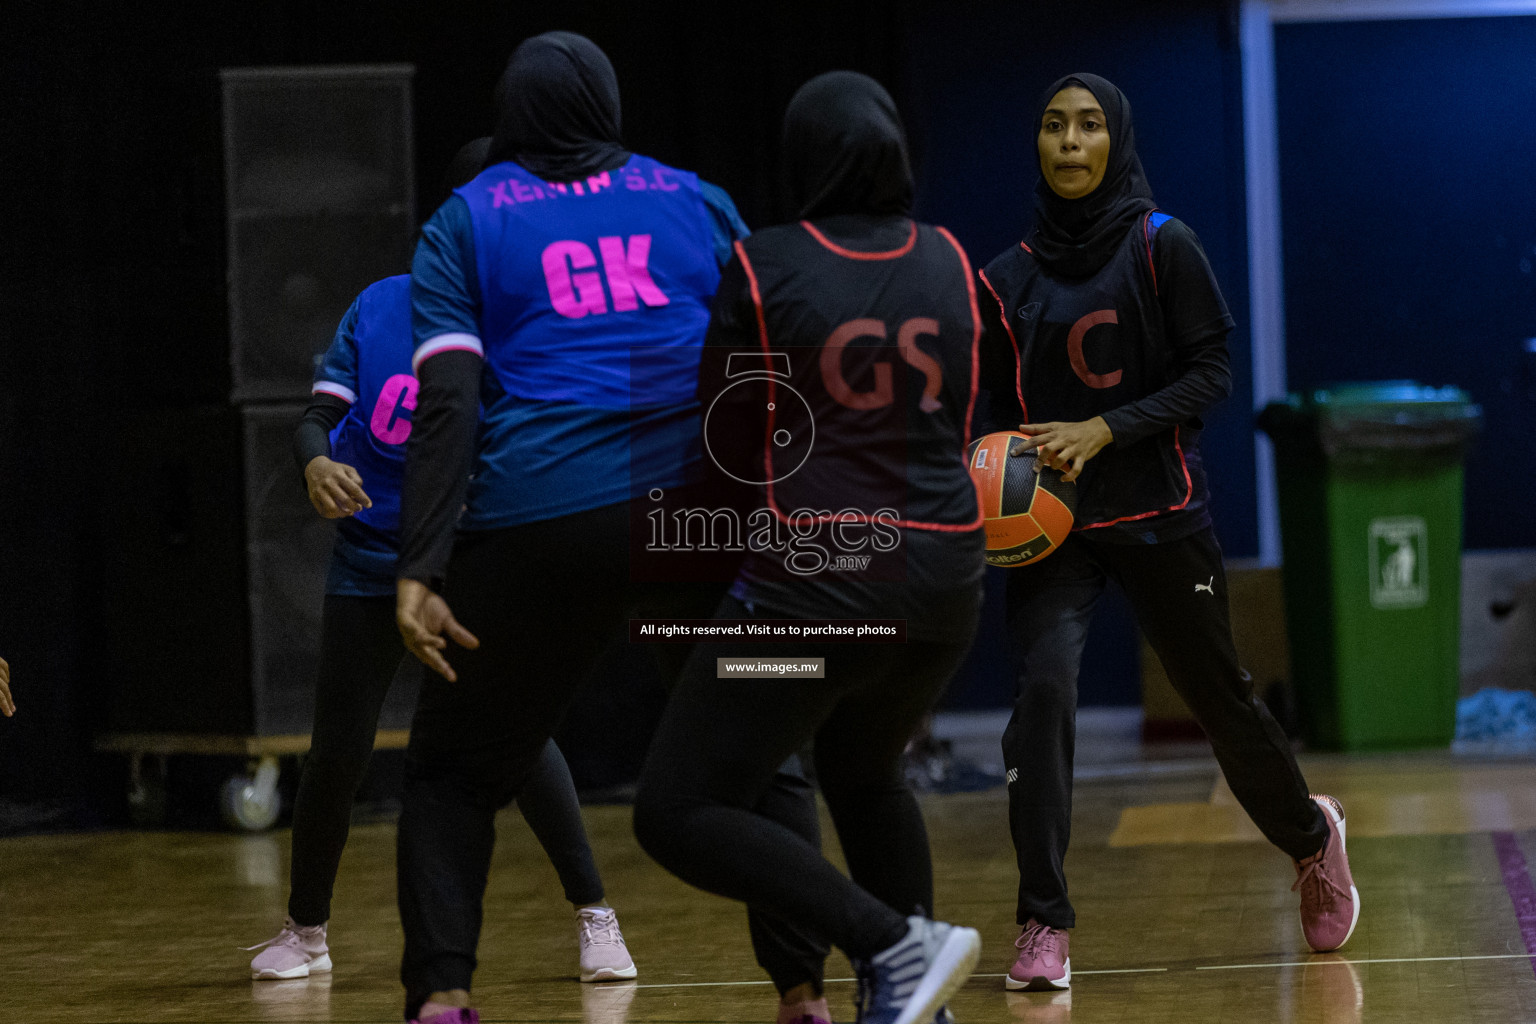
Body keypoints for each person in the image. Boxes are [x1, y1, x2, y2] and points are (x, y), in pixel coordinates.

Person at [392, 33, 818, 1024]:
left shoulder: (465, 218)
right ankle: (804, 994)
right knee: (759, 752)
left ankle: (444, 997)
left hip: (547, 517)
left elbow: (448, 400)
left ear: (511, 114)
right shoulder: (694, 197)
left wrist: (423, 562)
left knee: (452, 772)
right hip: (694, 512)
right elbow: (767, 354)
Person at [976, 73, 1359, 992]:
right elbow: (987, 414)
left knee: (1220, 703)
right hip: (1051, 532)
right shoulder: (1005, 279)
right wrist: (981, 480)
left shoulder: (1162, 245)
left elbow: (1213, 376)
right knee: (1042, 701)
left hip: (1157, 509)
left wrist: (1104, 428)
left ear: (1118, 141)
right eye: (1053, 125)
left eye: (1090, 126)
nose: (1070, 142)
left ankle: (1313, 837)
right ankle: (1043, 923)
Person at [631, 71, 985, 1024]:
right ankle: (921, 998)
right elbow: (967, 420)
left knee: (678, 809)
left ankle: (895, 944)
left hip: (818, 602)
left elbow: (732, 447)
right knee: (867, 772)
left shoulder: (764, 264)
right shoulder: (951, 258)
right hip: (947, 591)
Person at [244, 139, 634, 986]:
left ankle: (596, 917)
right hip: (369, 560)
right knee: (336, 754)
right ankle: (304, 932)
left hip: (470, 566)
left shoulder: (535, 327)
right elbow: (319, 416)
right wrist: (315, 463)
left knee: (519, 738)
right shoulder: (382, 306)